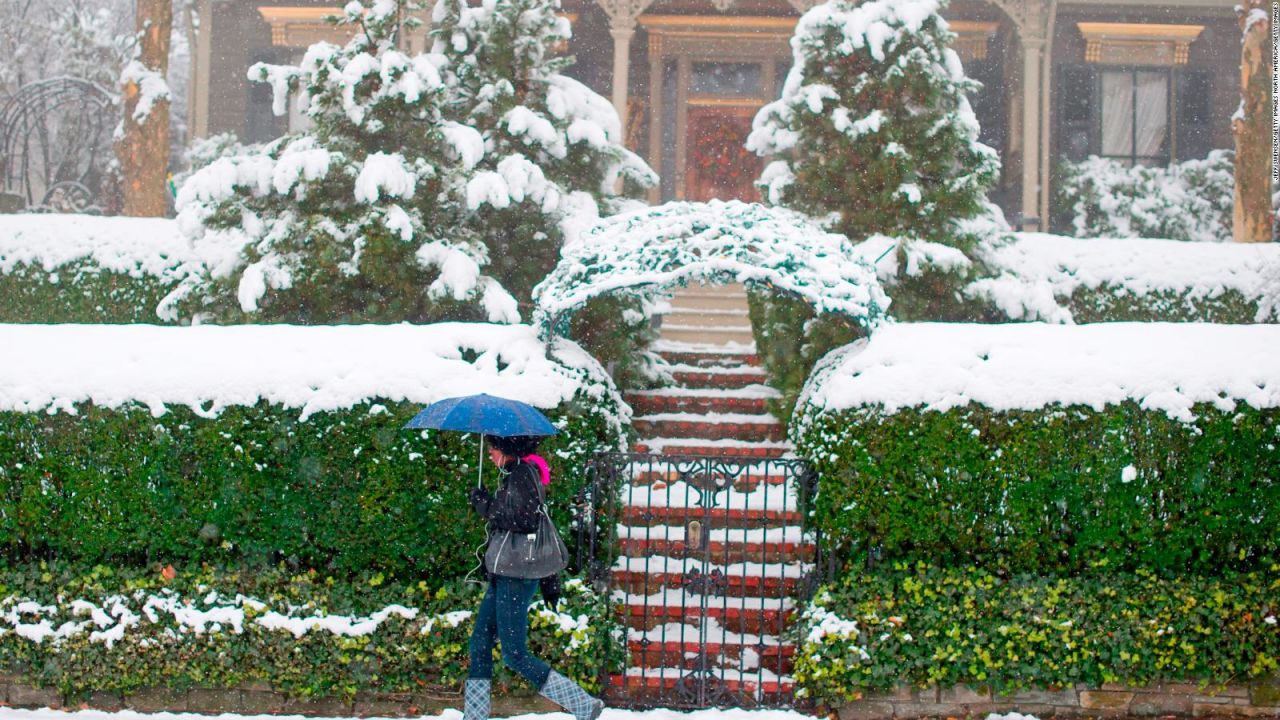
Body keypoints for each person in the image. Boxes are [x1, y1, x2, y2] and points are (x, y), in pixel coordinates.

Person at [463, 434, 604, 720]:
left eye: (493, 448)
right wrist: (489, 504)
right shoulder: (515, 473)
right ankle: (475, 715)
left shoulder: (522, 475)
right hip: (505, 573)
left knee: (514, 655)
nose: (489, 453)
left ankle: (583, 704)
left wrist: (485, 506)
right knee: (480, 641)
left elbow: (524, 520)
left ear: (507, 449)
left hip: (516, 577)